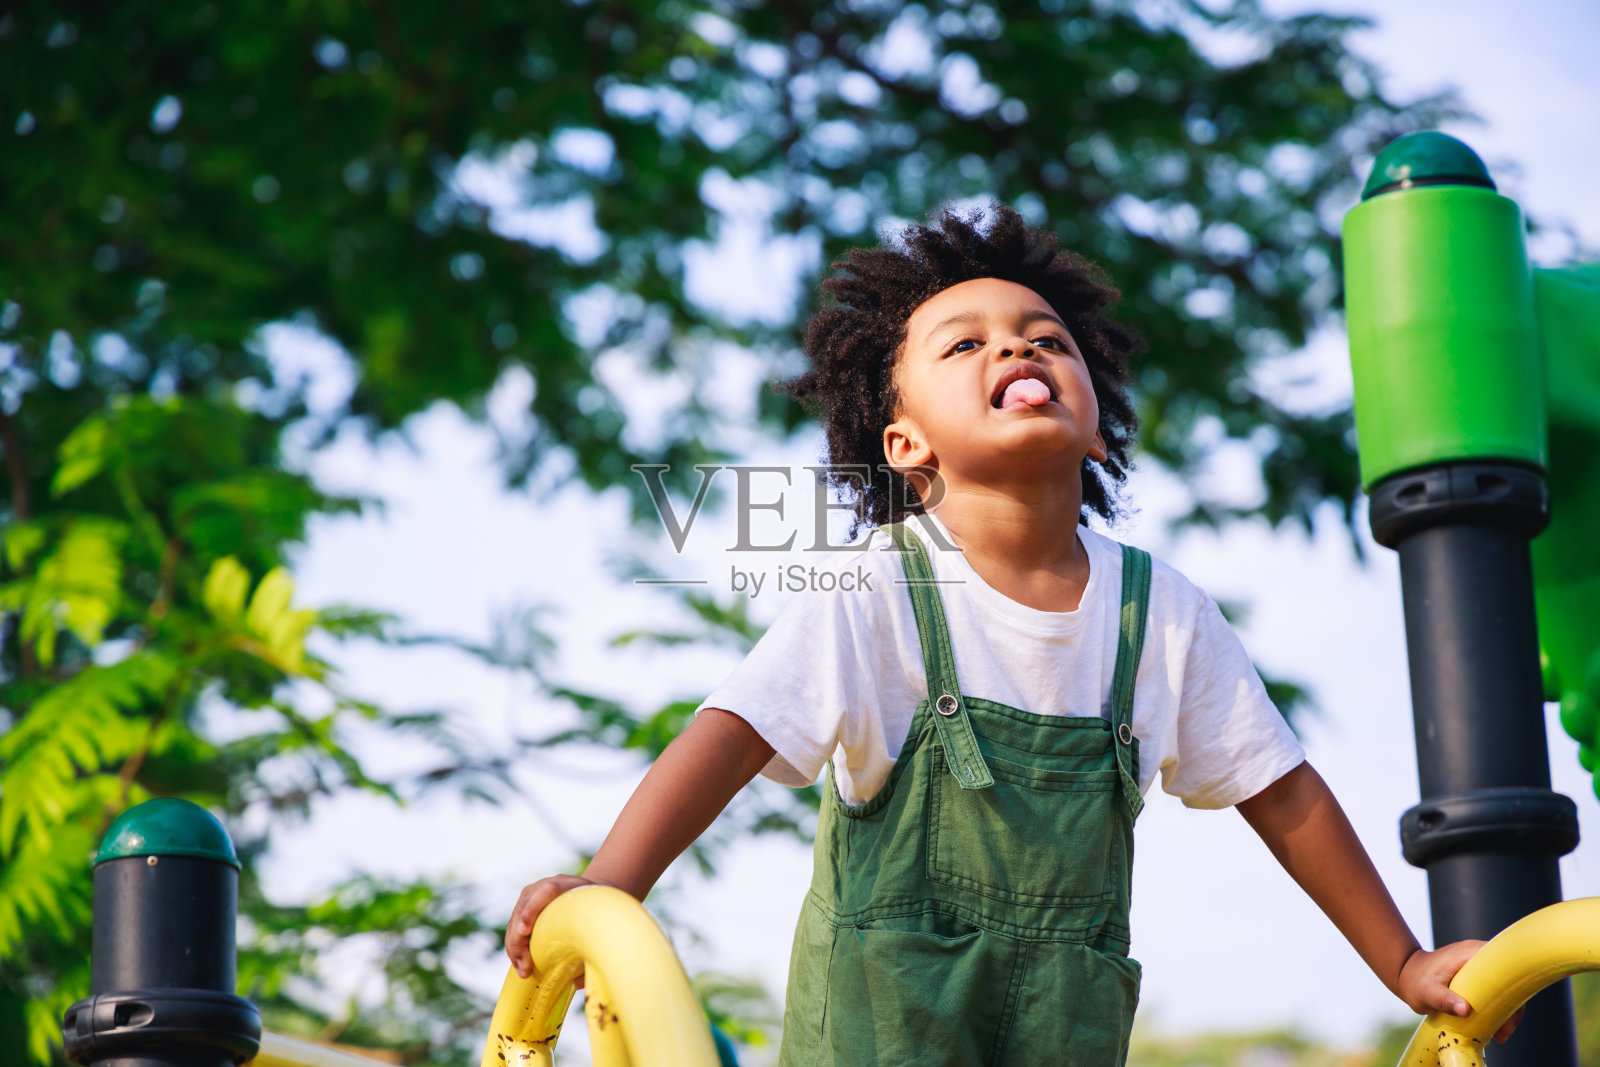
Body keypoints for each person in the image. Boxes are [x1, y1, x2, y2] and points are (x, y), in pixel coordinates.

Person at [505, 204, 1520, 1065]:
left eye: (1047, 339)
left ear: (1096, 420)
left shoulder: (1160, 615)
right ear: (905, 441)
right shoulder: (877, 591)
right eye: (965, 344)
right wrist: (606, 888)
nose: (1017, 349)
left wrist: (1402, 960)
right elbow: (729, 733)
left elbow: (1283, 790)